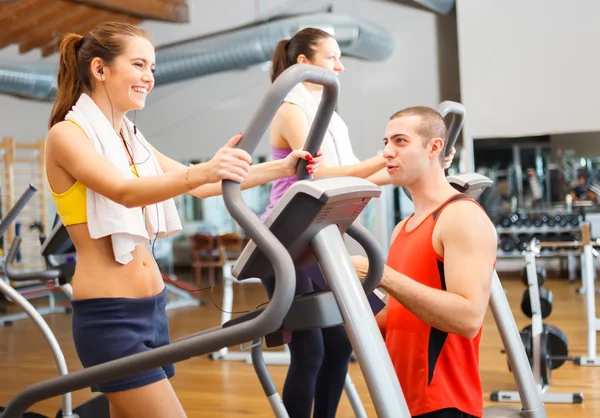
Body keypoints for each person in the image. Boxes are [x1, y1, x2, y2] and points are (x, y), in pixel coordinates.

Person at [44, 22, 322, 418]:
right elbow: (123, 190)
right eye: (139, 64)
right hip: (111, 316)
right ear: (100, 69)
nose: (148, 77)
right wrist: (205, 171)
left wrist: (283, 169)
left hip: (152, 308)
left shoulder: (133, 140)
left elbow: (204, 186)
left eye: (153, 68)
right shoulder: (67, 135)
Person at [262, 28, 456, 418]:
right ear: (304, 64)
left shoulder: (329, 116)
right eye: (331, 57)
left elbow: (359, 177)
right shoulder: (289, 109)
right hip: (286, 238)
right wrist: (394, 156)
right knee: (311, 351)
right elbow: (327, 173)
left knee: (339, 345)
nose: (340, 66)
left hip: (319, 237)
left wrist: (420, 165)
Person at [351, 106, 497, 418]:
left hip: (444, 403)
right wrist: (342, 302)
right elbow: (398, 315)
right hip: (400, 399)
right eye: (386, 142)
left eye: (400, 141)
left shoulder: (461, 216)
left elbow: (468, 317)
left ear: (434, 147)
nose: (387, 152)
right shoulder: (402, 229)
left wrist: (382, 275)